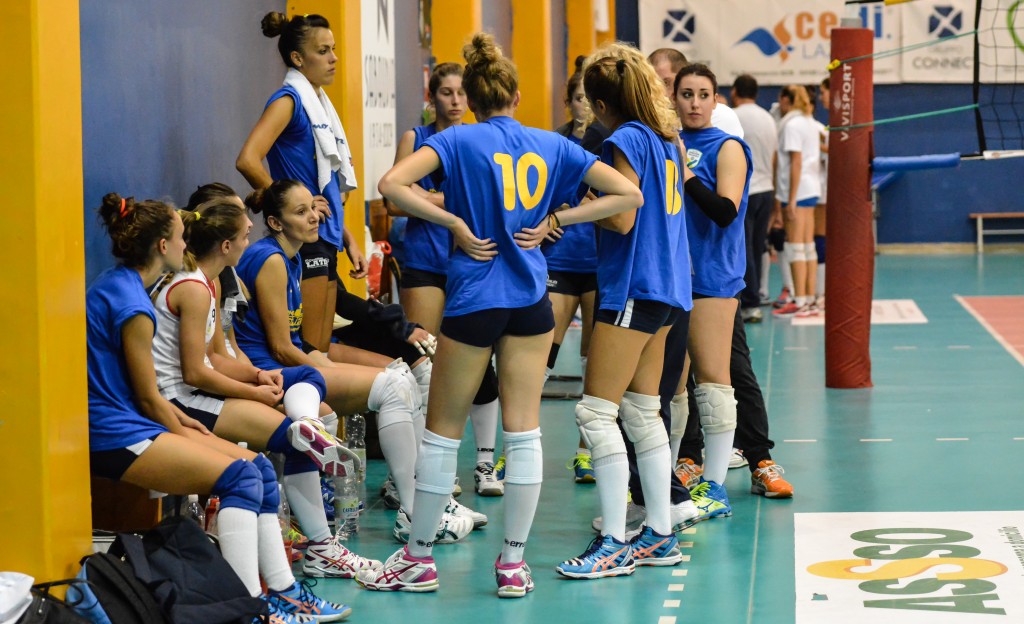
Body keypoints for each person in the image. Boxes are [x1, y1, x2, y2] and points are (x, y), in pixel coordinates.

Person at [358, 33, 642, 597]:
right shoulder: (551, 144)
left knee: (442, 435)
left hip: (473, 299)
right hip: (531, 303)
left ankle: (418, 560)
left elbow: (390, 185)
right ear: (516, 96)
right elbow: (628, 195)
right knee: (525, 430)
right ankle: (513, 564)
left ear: (473, 97)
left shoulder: (457, 139)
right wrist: (560, 218)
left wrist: (453, 224)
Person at [86, 193, 349, 623]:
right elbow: (150, 397)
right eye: (179, 235)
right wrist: (190, 431)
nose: (185, 241)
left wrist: (191, 425)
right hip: (114, 432)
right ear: (163, 246)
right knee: (242, 477)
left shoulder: (126, 285)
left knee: (258, 470)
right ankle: (248, 609)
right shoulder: (135, 305)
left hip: (134, 419)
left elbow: (150, 394)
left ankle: (282, 594)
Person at [235, 179, 481, 544]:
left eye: (313, 207)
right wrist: (324, 369)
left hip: (290, 364)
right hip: (272, 371)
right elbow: (281, 348)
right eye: (300, 212)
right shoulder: (270, 259)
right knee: (394, 387)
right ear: (275, 222)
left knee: (401, 375)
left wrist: (326, 364)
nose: (314, 217)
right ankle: (414, 514)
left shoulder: (292, 256)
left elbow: (299, 341)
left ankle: (431, 501)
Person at [157, 192, 382, 579]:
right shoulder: (192, 288)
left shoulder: (210, 283)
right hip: (184, 399)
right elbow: (194, 372)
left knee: (308, 376)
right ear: (226, 246)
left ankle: (308, 425)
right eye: (245, 235)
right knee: (287, 444)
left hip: (203, 389)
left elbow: (218, 357)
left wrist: (258, 376)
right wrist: (254, 392)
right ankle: (320, 550)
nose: (251, 238)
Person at [555, 43, 691, 580]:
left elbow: (623, 216)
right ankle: (659, 533)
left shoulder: (625, 139)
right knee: (641, 410)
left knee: (596, 413)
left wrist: (570, 213)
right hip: (666, 287)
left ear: (599, 105)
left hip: (633, 285)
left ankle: (613, 541)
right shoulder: (666, 138)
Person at [386, 62, 504, 498]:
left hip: (472, 259)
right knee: (423, 358)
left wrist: (425, 197)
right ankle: (421, 470)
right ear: (431, 97)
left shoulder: (478, 139)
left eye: (461, 93)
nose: (455, 101)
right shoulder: (415, 139)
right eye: (446, 93)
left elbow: (488, 198)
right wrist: (448, 200)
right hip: (424, 260)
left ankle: (486, 463)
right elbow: (394, 202)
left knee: (480, 359)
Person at [237, 12, 367, 355]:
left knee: (319, 350)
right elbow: (248, 159)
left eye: (333, 49)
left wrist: (348, 237)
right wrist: (292, 204)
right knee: (307, 351)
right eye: (323, 51)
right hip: (305, 238)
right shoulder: (289, 101)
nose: (333, 58)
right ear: (297, 58)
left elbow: (324, 188)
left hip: (326, 235)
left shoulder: (320, 106)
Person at [667, 64, 752, 523]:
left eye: (703, 94)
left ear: (716, 100)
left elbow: (725, 211)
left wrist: (685, 174)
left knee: (714, 380)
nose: (695, 103)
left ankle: (715, 486)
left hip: (713, 277)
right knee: (671, 386)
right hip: (671, 276)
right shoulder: (667, 143)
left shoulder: (727, 146)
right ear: (674, 99)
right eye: (686, 94)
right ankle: (669, 484)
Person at [545, 56, 608, 484]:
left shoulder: (612, 143)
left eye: (590, 98)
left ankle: (586, 451)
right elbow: (537, 194)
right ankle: (517, 447)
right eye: (578, 98)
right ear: (568, 102)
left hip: (600, 263)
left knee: (594, 360)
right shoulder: (555, 143)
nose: (584, 105)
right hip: (562, 261)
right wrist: (549, 216)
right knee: (540, 353)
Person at [731, 74, 778, 324]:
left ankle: (750, 302)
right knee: (757, 246)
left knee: (745, 247)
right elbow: (774, 157)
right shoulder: (768, 118)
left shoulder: (733, 116)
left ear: (735, 92)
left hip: (746, 190)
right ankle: (755, 296)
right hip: (766, 189)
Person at [772, 85, 821, 318]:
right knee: (808, 246)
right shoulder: (810, 122)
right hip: (811, 189)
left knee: (795, 246)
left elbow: (796, 161)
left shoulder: (792, 125)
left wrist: (790, 199)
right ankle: (810, 299)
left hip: (798, 191)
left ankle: (799, 300)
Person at [648, 48, 744, 138]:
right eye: (652, 85)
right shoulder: (649, 122)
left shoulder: (721, 116)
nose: (661, 93)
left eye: (666, 83)